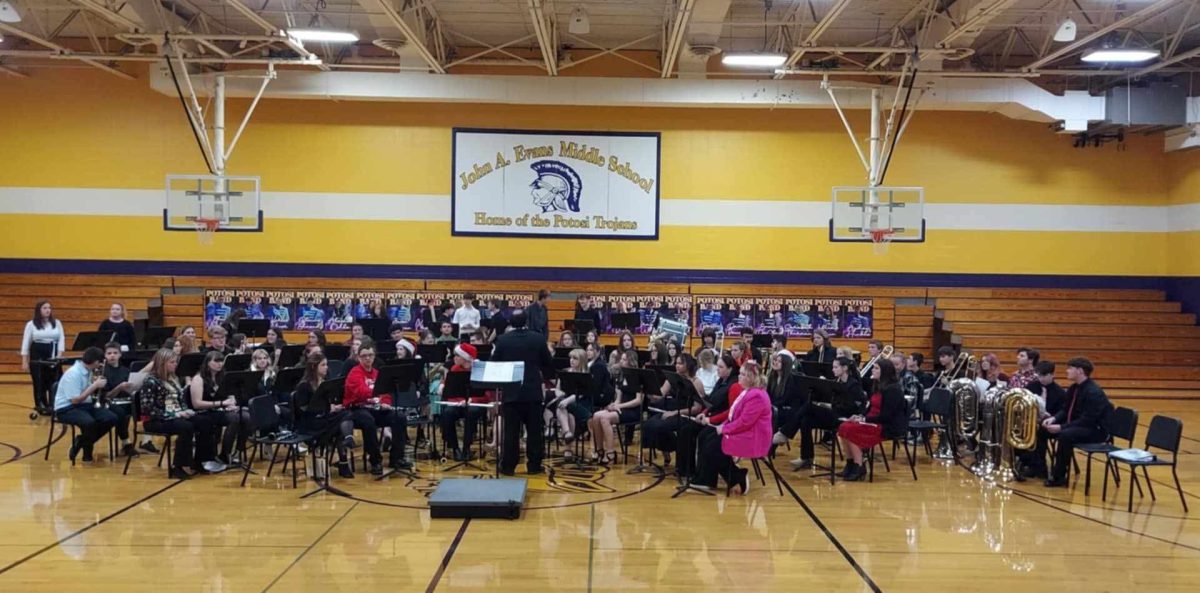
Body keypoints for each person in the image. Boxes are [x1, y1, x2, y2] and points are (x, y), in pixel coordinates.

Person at [693, 359, 772, 494]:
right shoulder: (747, 391)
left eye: (742, 374)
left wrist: (724, 429)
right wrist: (723, 425)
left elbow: (745, 422)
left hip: (753, 436)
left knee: (713, 446)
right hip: (745, 431)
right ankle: (706, 479)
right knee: (707, 438)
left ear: (751, 378)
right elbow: (733, 415)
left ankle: (737, 477)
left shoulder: (757, 396)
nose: (739, 376)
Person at [1029, 358, 1111, 487]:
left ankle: (1059, 476)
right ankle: (1039, 468)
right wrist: (1054, 419)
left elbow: (1087, 420)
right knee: (1042, 428)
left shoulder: (1093, 392)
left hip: (1095, 430)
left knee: (1065, 435)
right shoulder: (1074, 388)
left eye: (1070, 368)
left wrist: (1061, 427)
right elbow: (1065, 409)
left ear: (1079, 371)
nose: (1067, 371)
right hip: (1077, 425)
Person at [775, 356, 866, 470]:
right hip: (834, 415)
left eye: (835, 367)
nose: (832, 370)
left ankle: (785, 433)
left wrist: (834, 407)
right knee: (805, 421)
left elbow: (858, 404)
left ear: (845, 368)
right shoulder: (835, 382)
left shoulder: (853, 385)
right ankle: (806, 458)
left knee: (808, 406)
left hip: (844, 418)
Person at [491, 310, 553, 475]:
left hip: (511, 391)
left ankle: (508, 466)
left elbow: (495, 363)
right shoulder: (538, 338)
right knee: (534, 431)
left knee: (511, 431)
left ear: (510, 322)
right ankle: (534, 465)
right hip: (532, 391)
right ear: (526, 321)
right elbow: (548, 363)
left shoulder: (503, 340)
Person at [138, 348, 211, 479]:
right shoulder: (150, 381)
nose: (175, 365)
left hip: (176, 415)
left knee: (204, 421)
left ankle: (199, 461)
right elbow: (148, 408)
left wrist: (185, 410)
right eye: (172, 362)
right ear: (162, 363)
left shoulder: (173, 379)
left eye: (176, 362)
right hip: (155, 420)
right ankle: (178, 466)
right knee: (185, 427)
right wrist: (174, 415)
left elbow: (180, 400)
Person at [836, 359, 909, 481]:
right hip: (873, 420)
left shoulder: (893, 390)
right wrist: (859, 416)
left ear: (884, 371)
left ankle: (859, 466)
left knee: (850, 429)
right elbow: (870, 407)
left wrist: (864, 419)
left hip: (886, 425)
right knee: (844, 426)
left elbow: (886, 416)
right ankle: (850, 463)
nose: (872, 370)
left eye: (876, 368)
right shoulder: (877, 386)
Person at [343, 344, 412, 473]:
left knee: (399, 417)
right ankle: (375, 461)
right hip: (356, 409)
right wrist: (376, 392)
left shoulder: (377, 373)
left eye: (370, 355)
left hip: (376, 408)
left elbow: (385, 393)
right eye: (364, 356)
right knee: (368, 421)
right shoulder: (354, 373)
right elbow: (361, 392)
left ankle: (397, 458)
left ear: (374, 356)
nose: (368, 358)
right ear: (359, 358)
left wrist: (385, 402)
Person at [676, 353, 743, 481]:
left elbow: (731, 411)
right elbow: (711, 401)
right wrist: (704, 412)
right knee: (686, 429)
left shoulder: (734, 386)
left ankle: (706, 478)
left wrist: (710, 419)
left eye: (721, 367)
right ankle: (686, 470)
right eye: (717, 366)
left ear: (730, 369)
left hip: (721, 422)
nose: (717, 369)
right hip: (710, 416)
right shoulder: (720, 380)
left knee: (704, 437)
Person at [293, 353, 356, 479]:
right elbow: (303, 409)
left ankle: (347, 443)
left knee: (346, 414)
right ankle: (344, 461)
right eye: (323, 365)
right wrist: (328, 408)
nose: (327, 367)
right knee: (340, 424)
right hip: (310, 424)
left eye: (326, 364)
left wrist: (332, 407)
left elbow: (326, 404)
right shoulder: (304, 386)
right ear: (313, 367)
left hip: (323, 419)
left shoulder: (326, 382)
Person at [52, 347, 118, 463]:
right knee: (89, 423)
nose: (100, 365)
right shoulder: (73, 373)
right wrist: (94, 386)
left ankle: (81, 441)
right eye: (100, 363)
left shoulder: (88, 371)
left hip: (84, 405)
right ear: (96, 362)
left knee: (111, 418)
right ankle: (87, 454)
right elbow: (75, 400)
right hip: (66, 408)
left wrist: (93, 384)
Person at [640, 353, 706, 467]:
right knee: (649, 425)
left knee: (660, 426)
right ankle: (667, 450)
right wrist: (650, 392)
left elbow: (697, 408)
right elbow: (659, 395)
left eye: (681, 363)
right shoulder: (672, 378)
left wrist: (675, 413)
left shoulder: (696, 382)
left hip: (686, 414)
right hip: (672, 411)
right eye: (677, 363)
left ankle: (676, 447)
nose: (677, 366)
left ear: (688, 365)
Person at [587, 349, 642, 464]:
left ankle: (611, 452)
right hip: (621, 408)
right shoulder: (622, 375)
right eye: (621, 359)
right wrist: (614, 405)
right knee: (596, 416)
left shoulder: (638, 376)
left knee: (604, 418)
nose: (621, 361)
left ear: (631, 361)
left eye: (624, 359)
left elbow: (638, 400)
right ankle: (600, 449)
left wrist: (620, 406)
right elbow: (618, 398)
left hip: (633, 411)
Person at [439, 343, 488, 461]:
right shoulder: (454, 369)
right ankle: (455, 448)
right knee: (447, 413)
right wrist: (460, 401)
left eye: (457, 355)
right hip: (458, 403)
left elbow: (486, 395)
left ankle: (466, 448)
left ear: (465, 358)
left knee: (471, 412)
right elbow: (450, 392)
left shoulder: (479, 370)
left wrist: (473, 399)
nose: (454, 358)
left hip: (476, 404)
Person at [188, 351, 235, 472]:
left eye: (221, 361)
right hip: (203, 412)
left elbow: (230, 394)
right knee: (206, 422)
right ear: (207, 363)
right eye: (216, 361)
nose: (220, 364)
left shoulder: (223, 376)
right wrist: (221, 403)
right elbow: (197, 403)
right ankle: (205, 459)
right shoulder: (198, 379)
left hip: (218, 411)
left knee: (243, 417)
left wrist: (231, 402)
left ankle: (226, 453)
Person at [21, 300, 66, 414]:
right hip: (37, 352)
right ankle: (41, 405)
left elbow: (61, 340)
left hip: (53, 352)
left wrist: (59, 356)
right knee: (39, 380)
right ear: (39, 310)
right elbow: (26, 343)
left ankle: (54, 405)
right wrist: (24, 361)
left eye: (49, 308)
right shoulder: (31, 324)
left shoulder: (57, 323)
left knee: (54, 380)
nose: (48, 310)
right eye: (45, 308)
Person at [99, 342, 140, 456]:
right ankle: (126, 443)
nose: (112, 356)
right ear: (105, 356)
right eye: (109, 353)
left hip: (126, 399)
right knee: (121, 412)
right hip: (109, 402)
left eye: (115, 353)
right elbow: (106, 396)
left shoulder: (125, 370)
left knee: (140, 407)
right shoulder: (103, 371)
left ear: (120, 355)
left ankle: (145, 439)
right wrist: (119, 387)